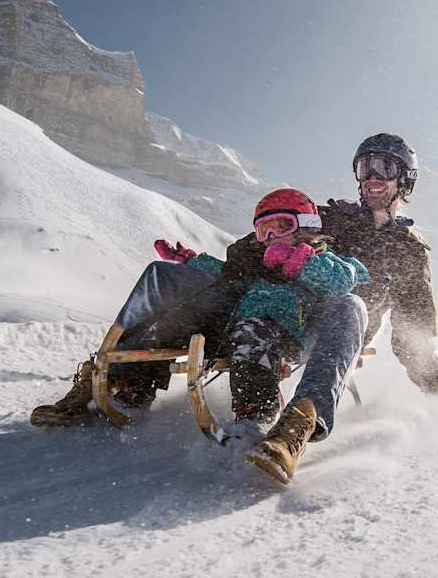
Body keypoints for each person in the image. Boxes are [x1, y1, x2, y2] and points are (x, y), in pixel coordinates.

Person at [30, 189, 371, 484]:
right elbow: (224, 275)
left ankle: (284, 423)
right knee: (174, 308)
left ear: (307, 228)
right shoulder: (253, 261)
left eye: (282, 226)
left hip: (294, 335)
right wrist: (190, 261)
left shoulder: (327, 260)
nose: (270, 237)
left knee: (298, 322)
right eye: (263, 230)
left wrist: (301, 263)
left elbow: (346, 278)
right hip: (238, 329)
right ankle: (120, 383)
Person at [315, 133, 438, 397]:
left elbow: (412, 335)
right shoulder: (333, 219)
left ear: (405, 179)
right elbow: (274, 237)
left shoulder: (409, 250)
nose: (373, 177)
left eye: (384, 167)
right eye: (364, 168)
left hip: (348, 335)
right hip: (300, 320)